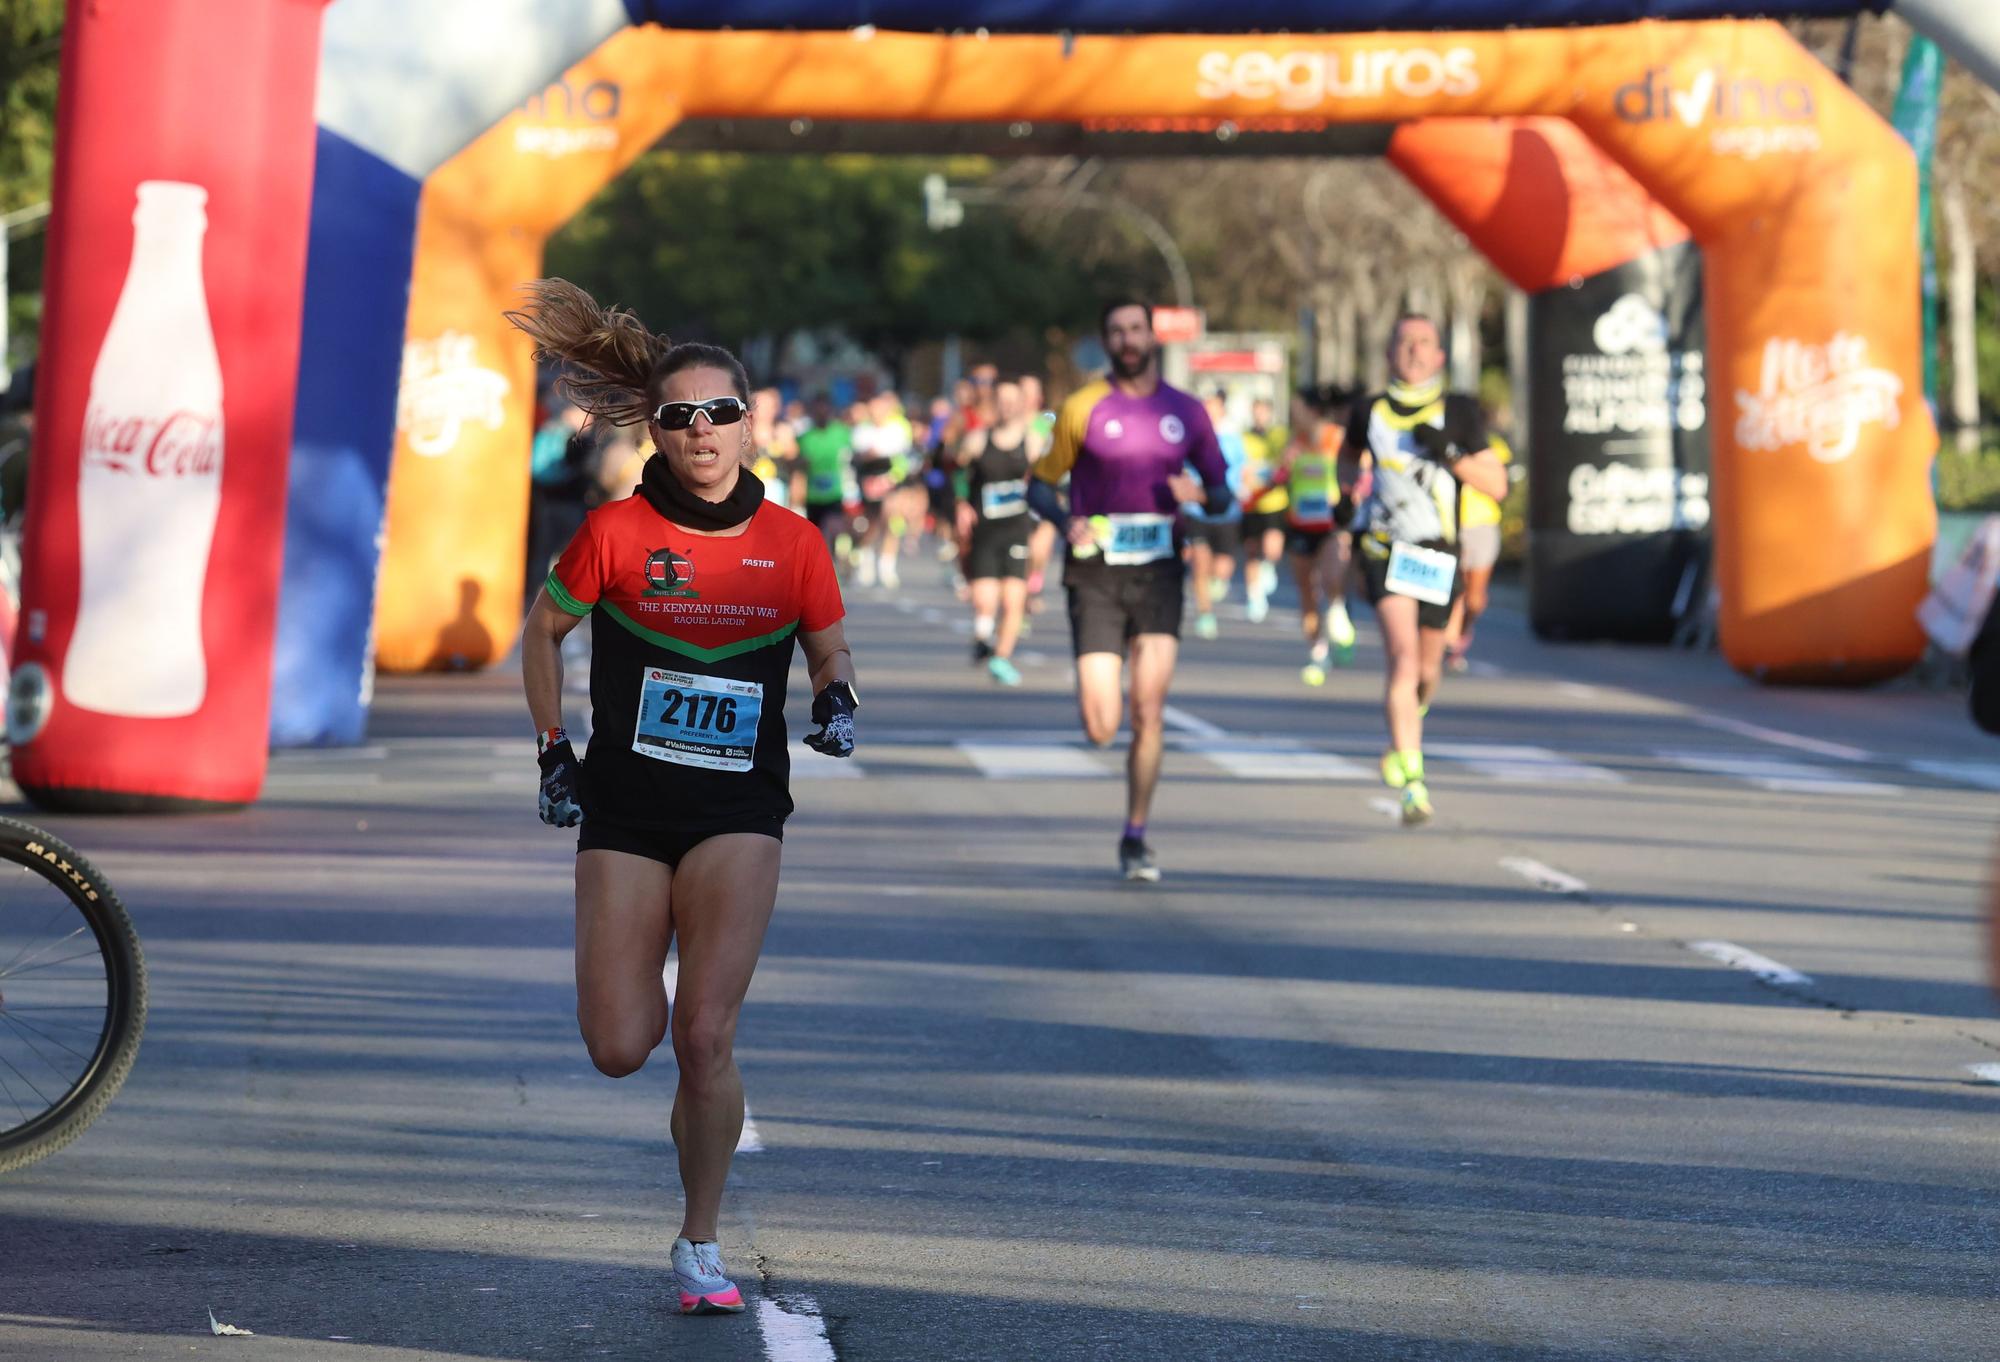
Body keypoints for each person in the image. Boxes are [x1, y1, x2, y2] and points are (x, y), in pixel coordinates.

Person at [506, 279, 858, 1317]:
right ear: (654, 432)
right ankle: (670, 1056)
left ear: (751, 424)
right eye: (678, 416)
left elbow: (825, 641)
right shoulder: (614, 533)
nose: (700, 432)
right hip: (623, 810)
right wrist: (550, 750)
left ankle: (699, 1240)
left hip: (738, 812)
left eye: (719, 414)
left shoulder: (793, 543)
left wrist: (835, 699)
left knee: (704, 1036)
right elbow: (540, 635)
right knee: (623, 1045)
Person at [1028, 299, 1233, 881]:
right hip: (1094, 572)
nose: (1127, 339)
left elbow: (1221, 494)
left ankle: (1136, 834)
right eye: (1116, 331)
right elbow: (1040, 487)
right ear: (1107, 342)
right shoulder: (1082, 406)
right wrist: (1065, 516)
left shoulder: (1186, 412)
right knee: (1101, 724)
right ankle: (1102, 714)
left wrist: (1198, 496)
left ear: (1152, 336)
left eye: (1136, 329)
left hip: (1161, 571)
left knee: (1149, 712)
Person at [1344, 315, 1509, 827]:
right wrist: (1347, 496)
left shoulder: (1457, 410)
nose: (1414, 351)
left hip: (1437, 552)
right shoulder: (1369, 410)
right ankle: (1414, 782)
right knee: (1402, 657)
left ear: (1440, 356)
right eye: (1404, 342)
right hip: (1383, 547)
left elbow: (1497, 484)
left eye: (1424, 343)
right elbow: (1347, 460)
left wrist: (1450, 454)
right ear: (1390, 353)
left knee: (1428, 670)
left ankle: (1406, 732)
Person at [958, 376, 1046, 686]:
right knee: (985, 600)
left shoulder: (1032, 442)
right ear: (994, 405)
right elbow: (956, 472)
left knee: (1014, 601)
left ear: (1022, 405)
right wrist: (961, 504)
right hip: (985, 531)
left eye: (1013, 401)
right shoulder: (977, 441)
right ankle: (982, 636)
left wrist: (1041, 516)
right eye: (1002, 401)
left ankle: (1001, 658)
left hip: (1017, 529)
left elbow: (1045, 482)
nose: (1008, 407)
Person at [1282, 393, 1358, 686]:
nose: (1293, 416)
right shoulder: (1294, 442)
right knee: (1307, 592)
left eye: (1297, 410)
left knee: (1331, 577)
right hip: (1301, 524)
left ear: (1312, 411)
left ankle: (1339, 616)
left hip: (1331, 523)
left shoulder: (1335, 437)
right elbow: (1280, 476)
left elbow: (1358, 465)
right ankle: (1317, 651)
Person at [1446, 419, 1514, 672]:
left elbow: (1500, 482)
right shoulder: (1443, 442)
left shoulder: (1492, 446)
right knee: (1455, 587)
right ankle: (1449, 640)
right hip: (1450, 525)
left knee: (1474, 599)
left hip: (1482, 525)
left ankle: (1463, 631)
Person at [1184, 391, 1248, 641]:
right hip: (1196, 511)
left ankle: (1214, 587)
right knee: (1200, 563)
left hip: (1227, 511)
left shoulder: (1233, 439)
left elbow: (1243, 469)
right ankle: (1205, 613)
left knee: (1221, 569)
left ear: (1222, 409)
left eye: (1213, 407)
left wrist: (1244, 488)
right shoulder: (1190, 438)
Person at [1239, 396, 1290, 624]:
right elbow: (1240, 466)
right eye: (1256, 411)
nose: (1260, 416)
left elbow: (1287, 462)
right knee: (1252, 550)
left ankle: (1268, 567)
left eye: (1264, 411)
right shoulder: (1244, 437)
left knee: (1272, 547)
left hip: (1274, 501)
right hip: (1251, 502)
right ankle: (1254, 595)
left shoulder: (1280, 436)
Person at [793, 394, 852, 568]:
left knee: (832, 528)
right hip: (813, 495)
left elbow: (850, 459)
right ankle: (822, 567)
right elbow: (798, 467)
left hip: (835, 492)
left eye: (825, 410)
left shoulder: (841, 433)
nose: (822, 414)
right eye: (818, 411)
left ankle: (838, 557)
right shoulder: (805, 437)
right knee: (817, 537)